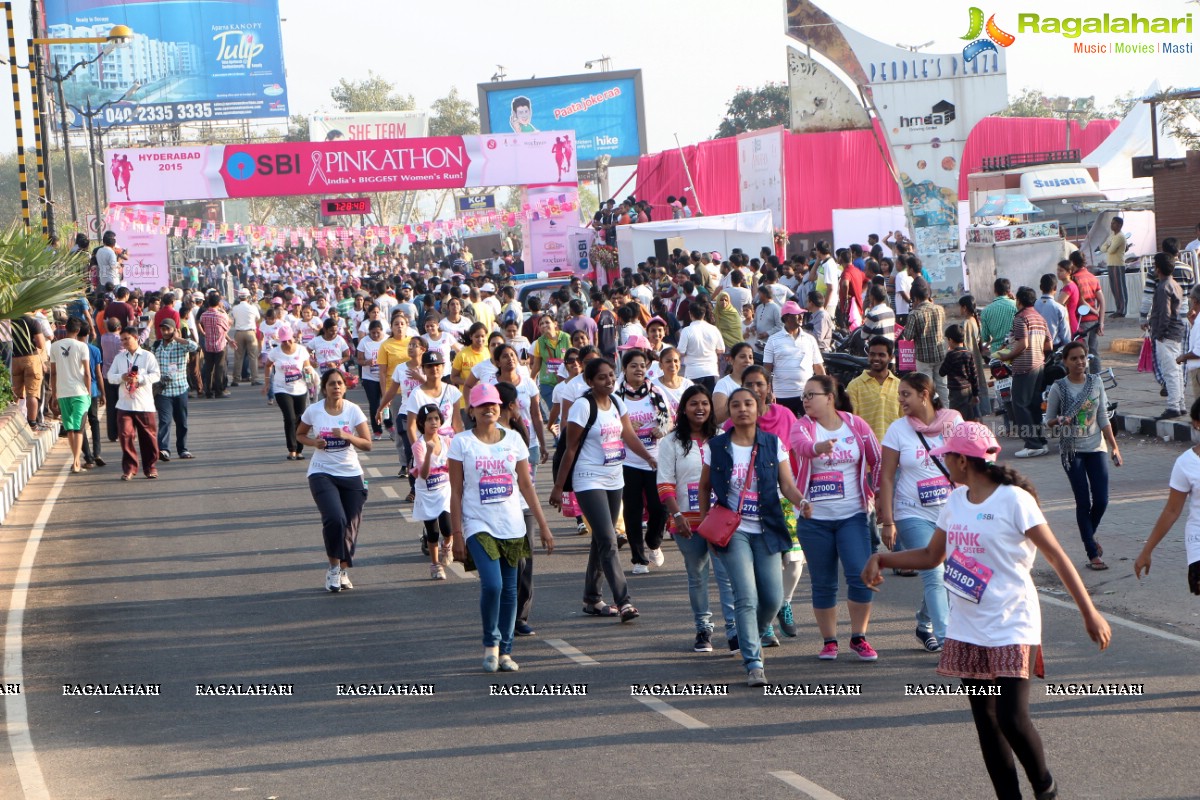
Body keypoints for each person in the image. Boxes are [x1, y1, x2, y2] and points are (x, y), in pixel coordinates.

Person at [863, 421, 1111, 800]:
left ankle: (1044, 787)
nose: (942, 461)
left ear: (962, 460)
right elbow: (932, 556)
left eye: (946, 455)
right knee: (988, 725)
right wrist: (882, 558)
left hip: (1013, 622)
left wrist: (1089, 612)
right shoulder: (956, 501)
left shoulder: (1014, 500)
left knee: (1012, 719)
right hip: (967, 626)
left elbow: (1058, 558)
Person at [698, 386, 811, 686]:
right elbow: (705, 485)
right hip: (732, 532)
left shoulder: (773, 444)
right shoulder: (717, 446)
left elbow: (786, 485)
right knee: (746, 596)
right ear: (730, 412)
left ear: (759, 409)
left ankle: (756, 631)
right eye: (735, 405)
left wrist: (801, 501)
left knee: (773, 598)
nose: (742, 409)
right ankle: (753, 661)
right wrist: (704, 517)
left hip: (767, 528)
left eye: (749, 404)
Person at [450, 383, 553, 673]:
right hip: (477, 523)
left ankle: (506, 651)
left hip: (512, 524)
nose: (489, 408)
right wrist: (456, 535)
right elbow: (455, 491)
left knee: (510, 590)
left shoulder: (514, 440)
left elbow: (526, 485)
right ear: (471, 410)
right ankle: (490, 644)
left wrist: (543, 526)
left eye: (493, 403)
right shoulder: (461, 443)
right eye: (482, 405)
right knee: (493, 585)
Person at [549, 357, 657, 623]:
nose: (609, 381)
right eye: (602, 377)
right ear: (589, 381)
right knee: (609, 540)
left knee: (601, 539)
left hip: (614, 478)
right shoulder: (583, 407)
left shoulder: (618, 402)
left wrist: (649, 458)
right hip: (588, 479)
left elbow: (628, 436)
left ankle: (592, 598)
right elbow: (570, 448)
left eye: (611, 375)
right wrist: (559, 487)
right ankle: (624, 602)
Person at [791, 374, 882, 661]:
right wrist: (818, 448)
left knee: (860, 574)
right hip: (814, 519)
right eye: (803, 396)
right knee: (823, 582)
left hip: (853, 515)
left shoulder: (856, 425)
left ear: (829, 397)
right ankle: (829, 641)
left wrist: (875, 494)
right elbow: (801, 447)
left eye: (811, 395)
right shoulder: (802, 426)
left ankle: (858, 637)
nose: (805, 400)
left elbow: (876, 458)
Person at [878, 373, 962, 652]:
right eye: (899, 394)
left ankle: (924, 623)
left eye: (906, 394)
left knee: (952, 573)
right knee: (934, 573)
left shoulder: (953, 422)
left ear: (924, 394)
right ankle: (948, 641)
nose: (900, 399)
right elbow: (887, 477)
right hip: (912, 512)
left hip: (951, 512)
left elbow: (970, 463)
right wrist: (888, 521)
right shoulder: (897, 430)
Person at [657, 384, 736, 653]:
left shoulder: (723, 437)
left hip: (720, 521)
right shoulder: (670, 443)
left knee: (726, 574)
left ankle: (735, 630)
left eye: (704, 403)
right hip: (686, 523)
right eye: (693, 404)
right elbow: (665, 483)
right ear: (684, 409)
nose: (700, 408)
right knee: (698, 575)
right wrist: (676, 514)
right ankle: (703, 630)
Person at [1045, 341, 1121, 570]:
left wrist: (1115, 446)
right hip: (1072, 451)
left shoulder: (1096, 382)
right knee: (1082, 501)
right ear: (1065, 362)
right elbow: (1048, 421)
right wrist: (1058, 421)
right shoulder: (1059, 387)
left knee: (1101, 500)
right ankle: (1092, 553)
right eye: (1074, 358)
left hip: (1096, 448)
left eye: (1082, 357)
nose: (1079, 362)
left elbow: (1103, 418)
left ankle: (1089, 534)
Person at [296, 369, 372, 593]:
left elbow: (368, 444)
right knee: (334, 519)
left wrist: (347, 436)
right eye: (331, 384)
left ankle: (343, 569)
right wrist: (313, 443)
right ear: (324, 388)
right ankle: (332, 568)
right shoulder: (314, 411)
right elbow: (299, 434)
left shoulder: (353, 410)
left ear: (345, 388)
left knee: (350, 524)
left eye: (340, 383)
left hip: (350, 473)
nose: (336, 387)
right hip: (322, 472)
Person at [615, 347, 671, 574]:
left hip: (656, 459)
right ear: (625, 369)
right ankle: (638, 558)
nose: (639, 369)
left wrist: (661, 429)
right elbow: (609, 425)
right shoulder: (616, 396)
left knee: (660, 506)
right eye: (633, 365)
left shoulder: (656, 391)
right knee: (633, 509)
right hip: (628, 460)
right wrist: (625, 429)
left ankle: (654, 543)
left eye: (642, 365)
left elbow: (670, 420)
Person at [495, 381, 541, 637]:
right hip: (497, 509)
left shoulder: (517, 434)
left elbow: (526, 480)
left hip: (523, 506)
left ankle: (520, 617)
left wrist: (543, 524)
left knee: (525, 562)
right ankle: (503, 615)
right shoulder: (483, 434)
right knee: (505, 565)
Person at [994, 287, 1052, 458]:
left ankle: (1032, 444)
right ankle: (1040, 442)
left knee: (1020, 406)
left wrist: (1004, 356)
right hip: (1039, 365)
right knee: (1034, 405)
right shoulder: (1039, 317)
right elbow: (1049, 345)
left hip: (1024, 367)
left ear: (1018, 301)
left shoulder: (1020, 318)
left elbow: (1022, 344)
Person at [107, 326, 161, 480]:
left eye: (127, 339)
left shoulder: (147, 356)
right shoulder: (120, 358)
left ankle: (150, 467)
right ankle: (129, 468)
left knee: (148, 438)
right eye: (122, 340)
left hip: (144, 404)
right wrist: (122, 377)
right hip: (124, 404)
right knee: (125, 435)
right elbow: (110, 376)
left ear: (136, 338)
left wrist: (140, 379)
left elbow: (156, 375)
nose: (124, 342)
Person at [412, 404, 453, 580]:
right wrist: (429, 453)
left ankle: (447, 546)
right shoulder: (419, 445)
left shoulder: (447, 441)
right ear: (422, 423)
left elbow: (453, 467)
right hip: (426, 493)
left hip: (444, 490)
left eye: (436, 418)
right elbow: (423, 473)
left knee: (447, 527)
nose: (434, 422)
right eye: (429, 419)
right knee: (433, 531)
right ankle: (435, 565)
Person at [763, 300, 825, 417]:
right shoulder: (773, 340)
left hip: (806, 395)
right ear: (787, 318)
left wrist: (826, 390)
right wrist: (768, 392)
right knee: (785, 430)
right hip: (782, 395)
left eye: (801, 314)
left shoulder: (809, 339)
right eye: (797, 314)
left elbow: (818, 367)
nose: (801, 317)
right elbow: (766, 369)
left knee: (810, 427)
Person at [265, 326, 317, 460]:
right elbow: (267, 365)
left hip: (300, 388)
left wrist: (309, 374)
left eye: (289, 340)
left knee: (300, 418)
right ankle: (292, 449)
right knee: (290, 418)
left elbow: (307, 366)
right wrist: (267, 383)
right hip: (281, 388)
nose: (287, 343)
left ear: (293, 338)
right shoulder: (275, 352)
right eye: (283, 341)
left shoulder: (301, 350)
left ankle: (299, 449)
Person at [151, 318, 198, 461]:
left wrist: (178, 338)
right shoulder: (156, 345)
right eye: (163, 329)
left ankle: (182, 449)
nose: (165, 332)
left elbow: (194, 347)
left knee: (182, 421)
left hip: (180, 389)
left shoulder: (181, 345)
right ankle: (164, 450)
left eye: (168, 329)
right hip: (163, 391)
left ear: (174, 329)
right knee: (165, 421)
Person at [50, 316, 92, 473]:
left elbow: (53, 373)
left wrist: (54, 395)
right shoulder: (82, 346)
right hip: (79, 391)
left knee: (69, 428)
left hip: (62, 391)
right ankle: (76, 462)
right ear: (78, 330)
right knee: (79, 427)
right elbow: (87, 373)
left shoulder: (54, 346)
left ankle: (75, 461)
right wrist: (88, 393)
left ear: (65, 328)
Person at [1148, 252, 1187, 419]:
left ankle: (1173, 406)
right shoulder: (1175, 284)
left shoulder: (1163, 288)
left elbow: (1165, 313)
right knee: (1176, 371)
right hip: (1175, 332)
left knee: (1170, 371)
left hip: (1167, 334)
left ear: (1158, 268)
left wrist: (1159, 333)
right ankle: (1180, 404)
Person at [846, 336, 902, 443]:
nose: (876, 358)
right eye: (872, 354)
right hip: (866, 449)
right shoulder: (854, 386)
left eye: (881, 355)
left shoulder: (900, 386)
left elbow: (905, 420)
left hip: (894, 449)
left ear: (890, 357)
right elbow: (851, 422)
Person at [899, 279, 948, 402]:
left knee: (926, 388)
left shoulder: (914, 314)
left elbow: (908, 337)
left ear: (915, 298)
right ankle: (946, 413)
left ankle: (931, 413)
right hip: (940, 354)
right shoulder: (939, 309)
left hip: (923, 358)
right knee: (942, 386)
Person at [676, 301, 725, 392]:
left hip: (693, 373)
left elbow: (680, 352)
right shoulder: (713, 329)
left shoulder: (687, 331)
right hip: (711, 371)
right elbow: (721, 349)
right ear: (704, 314)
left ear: (690, 314)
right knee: (710, 402)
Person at [1069, 251, 1105, 373]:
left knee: (1082, 353)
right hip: (1094, 322)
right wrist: (1100, 320)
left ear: (1073, 263)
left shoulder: (1074, 279)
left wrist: (1095, 311)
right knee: (1094, 351)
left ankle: (1085, 380)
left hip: (1081, 321)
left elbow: (1081, 301)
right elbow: (1102, 300)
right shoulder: (1092, 277)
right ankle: (1097, 379)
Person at [10, 314, 47, 430]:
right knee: (32, 393)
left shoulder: (8, 321)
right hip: (31, 358)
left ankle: (12, 422)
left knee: (15, 392)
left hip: (14, 359)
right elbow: (41, 344)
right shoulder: (32, 322)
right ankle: (32, 423)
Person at [957, 295, 992, 416]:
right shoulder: (976, 321)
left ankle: (975, 413)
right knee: (979, 383)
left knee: (971, 388)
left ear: (965, 308)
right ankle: (984, 409)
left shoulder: (966, 323)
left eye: (960, 307)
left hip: (969, 359)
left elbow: (964, 345)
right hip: (976, 359)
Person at [940, 324, 980, 421]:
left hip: (956, 391)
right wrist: (975, 394)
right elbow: (974, 376)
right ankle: (968, 432)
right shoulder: (968, 353)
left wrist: (947, 356)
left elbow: (942, 372)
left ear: (951, 340)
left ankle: (958, 433)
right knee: (969, 415)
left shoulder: (951, 355)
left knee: (956, 416)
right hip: (968, 389)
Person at [356, 319, 386, 439]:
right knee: (374, 405)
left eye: (378, 332)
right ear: (369, 332)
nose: (375, 335)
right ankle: (377, 430)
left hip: (385, 377)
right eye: (372, 333)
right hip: (370, 378)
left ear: (382, 331)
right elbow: (359, 360)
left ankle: (389, 425)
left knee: (387, 403)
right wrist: (367, 362)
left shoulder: (387, 340)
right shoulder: (364, 342)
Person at [198, 295, 232, 399]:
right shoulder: (221, 316)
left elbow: (201, 324)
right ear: (218, 303)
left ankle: (208, 391)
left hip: (208, 344)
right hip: (220, 345)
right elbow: (227, 327)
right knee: (219, 369)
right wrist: (224, 312)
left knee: (208, 369)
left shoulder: (204, 315)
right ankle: (218, 391)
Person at [713, 341, 755, 425]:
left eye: (750, 357)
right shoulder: (723, 384)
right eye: (742, 357)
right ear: (731, 360)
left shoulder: (756, 384)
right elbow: (716, 418)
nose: (747, 361)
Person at [230, 289, 262, 386]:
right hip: (250, 332)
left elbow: (233, 318)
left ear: (239, 297)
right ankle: (254, 379)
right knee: (253, 356)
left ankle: (236, 379)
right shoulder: (253, 308)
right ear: (248, 297)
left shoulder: (235, 308)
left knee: (238, 356)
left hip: (239, 332)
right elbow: (258, 318)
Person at [649, 346, 692, 416]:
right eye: (668, 361)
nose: (673, 364)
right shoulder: (653, 385)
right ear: (661, 365)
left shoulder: (688, 385)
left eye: (676, 361)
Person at [1100, 216, 1128, 317]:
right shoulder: (1112, 235)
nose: (1111, 225)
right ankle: (1118, 308)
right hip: (1111, 264)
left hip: (1117, 264)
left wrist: (1108, 246)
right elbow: (1102, 248)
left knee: (1119, 287)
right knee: (1114, 288)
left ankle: (1122, 310)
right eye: (1111, 223)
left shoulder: (1120, 236)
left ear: (1120, 225)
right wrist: (1108, 246)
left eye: (1114, 223)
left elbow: (1111, 250)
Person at [1033, 274, 1070, 348]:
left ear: (1040, 287)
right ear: (1055, 288)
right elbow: (1065, 333)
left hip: (1035, 347)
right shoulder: (1060, 308)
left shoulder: (1033, 305)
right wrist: (1068, 346)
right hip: (1054, 347)